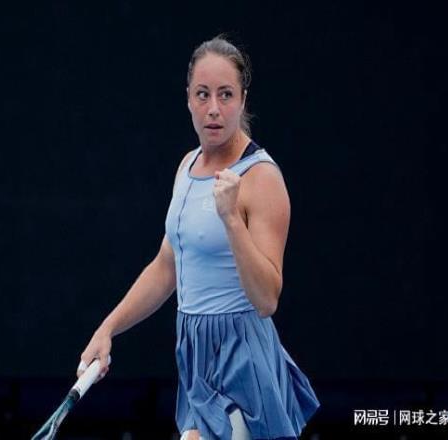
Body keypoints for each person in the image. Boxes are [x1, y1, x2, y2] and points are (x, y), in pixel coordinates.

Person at [77, 35, 320, 439]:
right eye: (203, 94)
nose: (213, 109)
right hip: (194, 357)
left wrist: (231, 219)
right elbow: (166, 266)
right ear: (188, 98)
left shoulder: (262, 178)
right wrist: (108, 329)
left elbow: (266, 299)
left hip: (242, 359)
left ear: (243, 100)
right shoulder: (187, 166)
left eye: (226, 95)